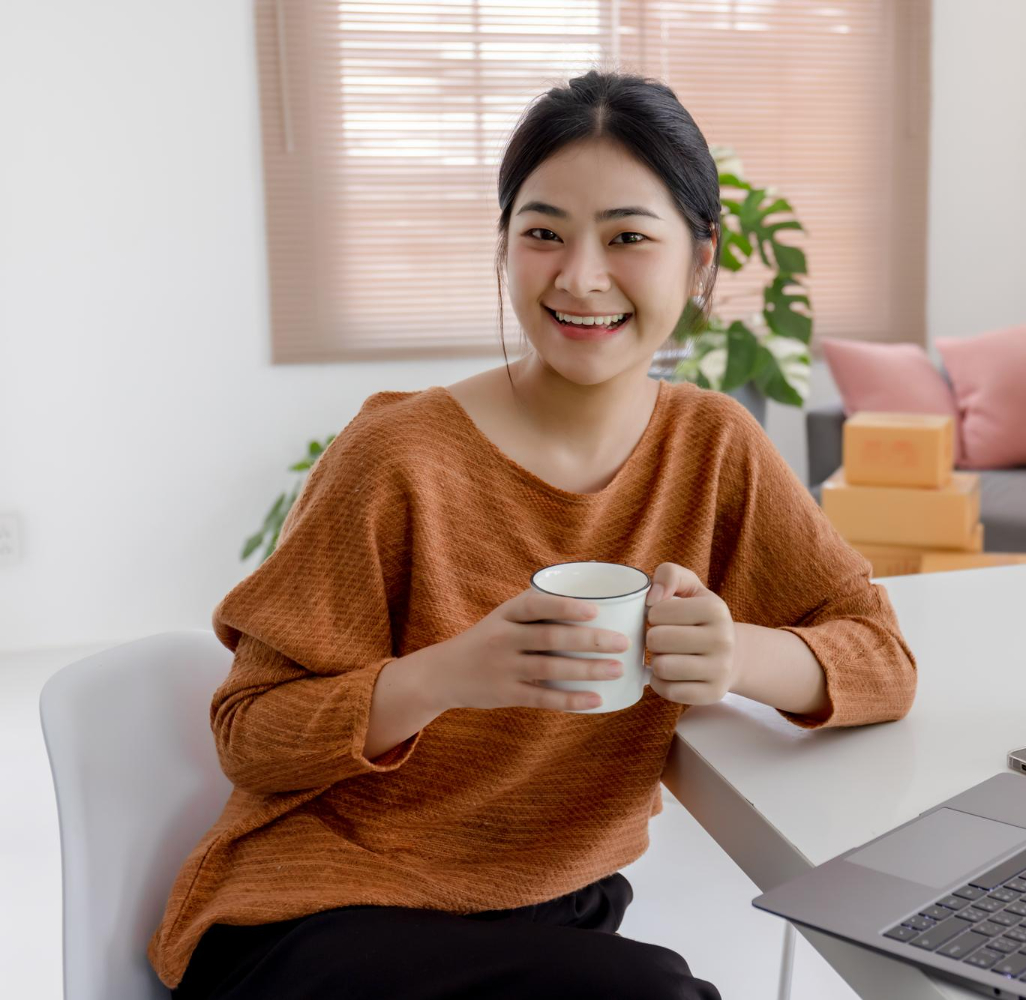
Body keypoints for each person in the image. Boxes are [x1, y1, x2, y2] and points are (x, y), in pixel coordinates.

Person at [148, 68, 919, 1000]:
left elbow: (881, 657)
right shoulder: (396, 456)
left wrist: (737, 657)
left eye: (628, 237)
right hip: (318, 912)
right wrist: (444, 676)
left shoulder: (714, 448)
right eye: (542, 233)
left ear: (701, 260)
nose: (580, 277)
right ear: (504, 249)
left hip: (555, 914)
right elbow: (248, 733)